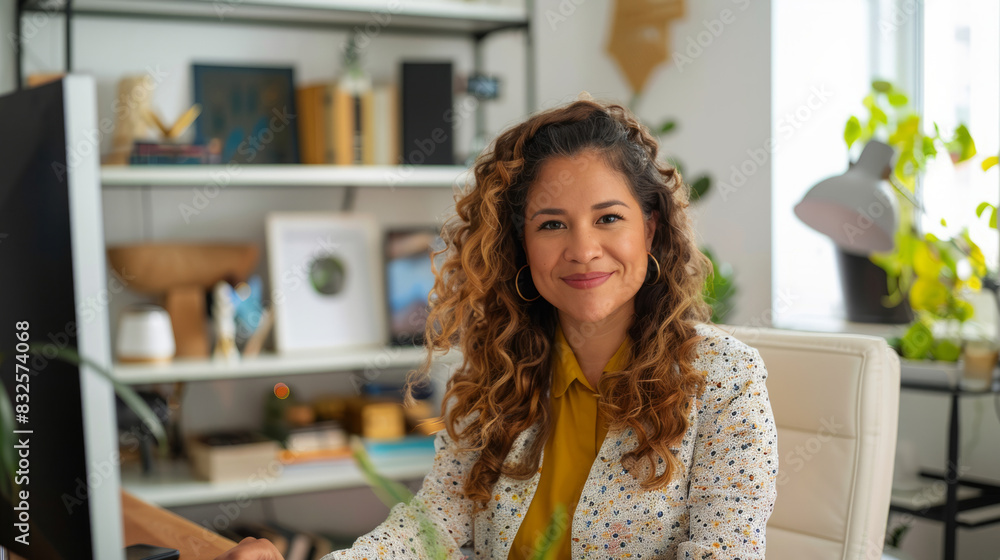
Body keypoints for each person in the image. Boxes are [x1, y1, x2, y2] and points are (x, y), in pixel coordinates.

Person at [215, 94, 778, 560]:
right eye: (552, 224)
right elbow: (433, 526)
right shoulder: (502, 370)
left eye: (608, 218)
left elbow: (724, 551)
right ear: (521, 245)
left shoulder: (724, 378)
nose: (583, 250)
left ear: (650, 229)